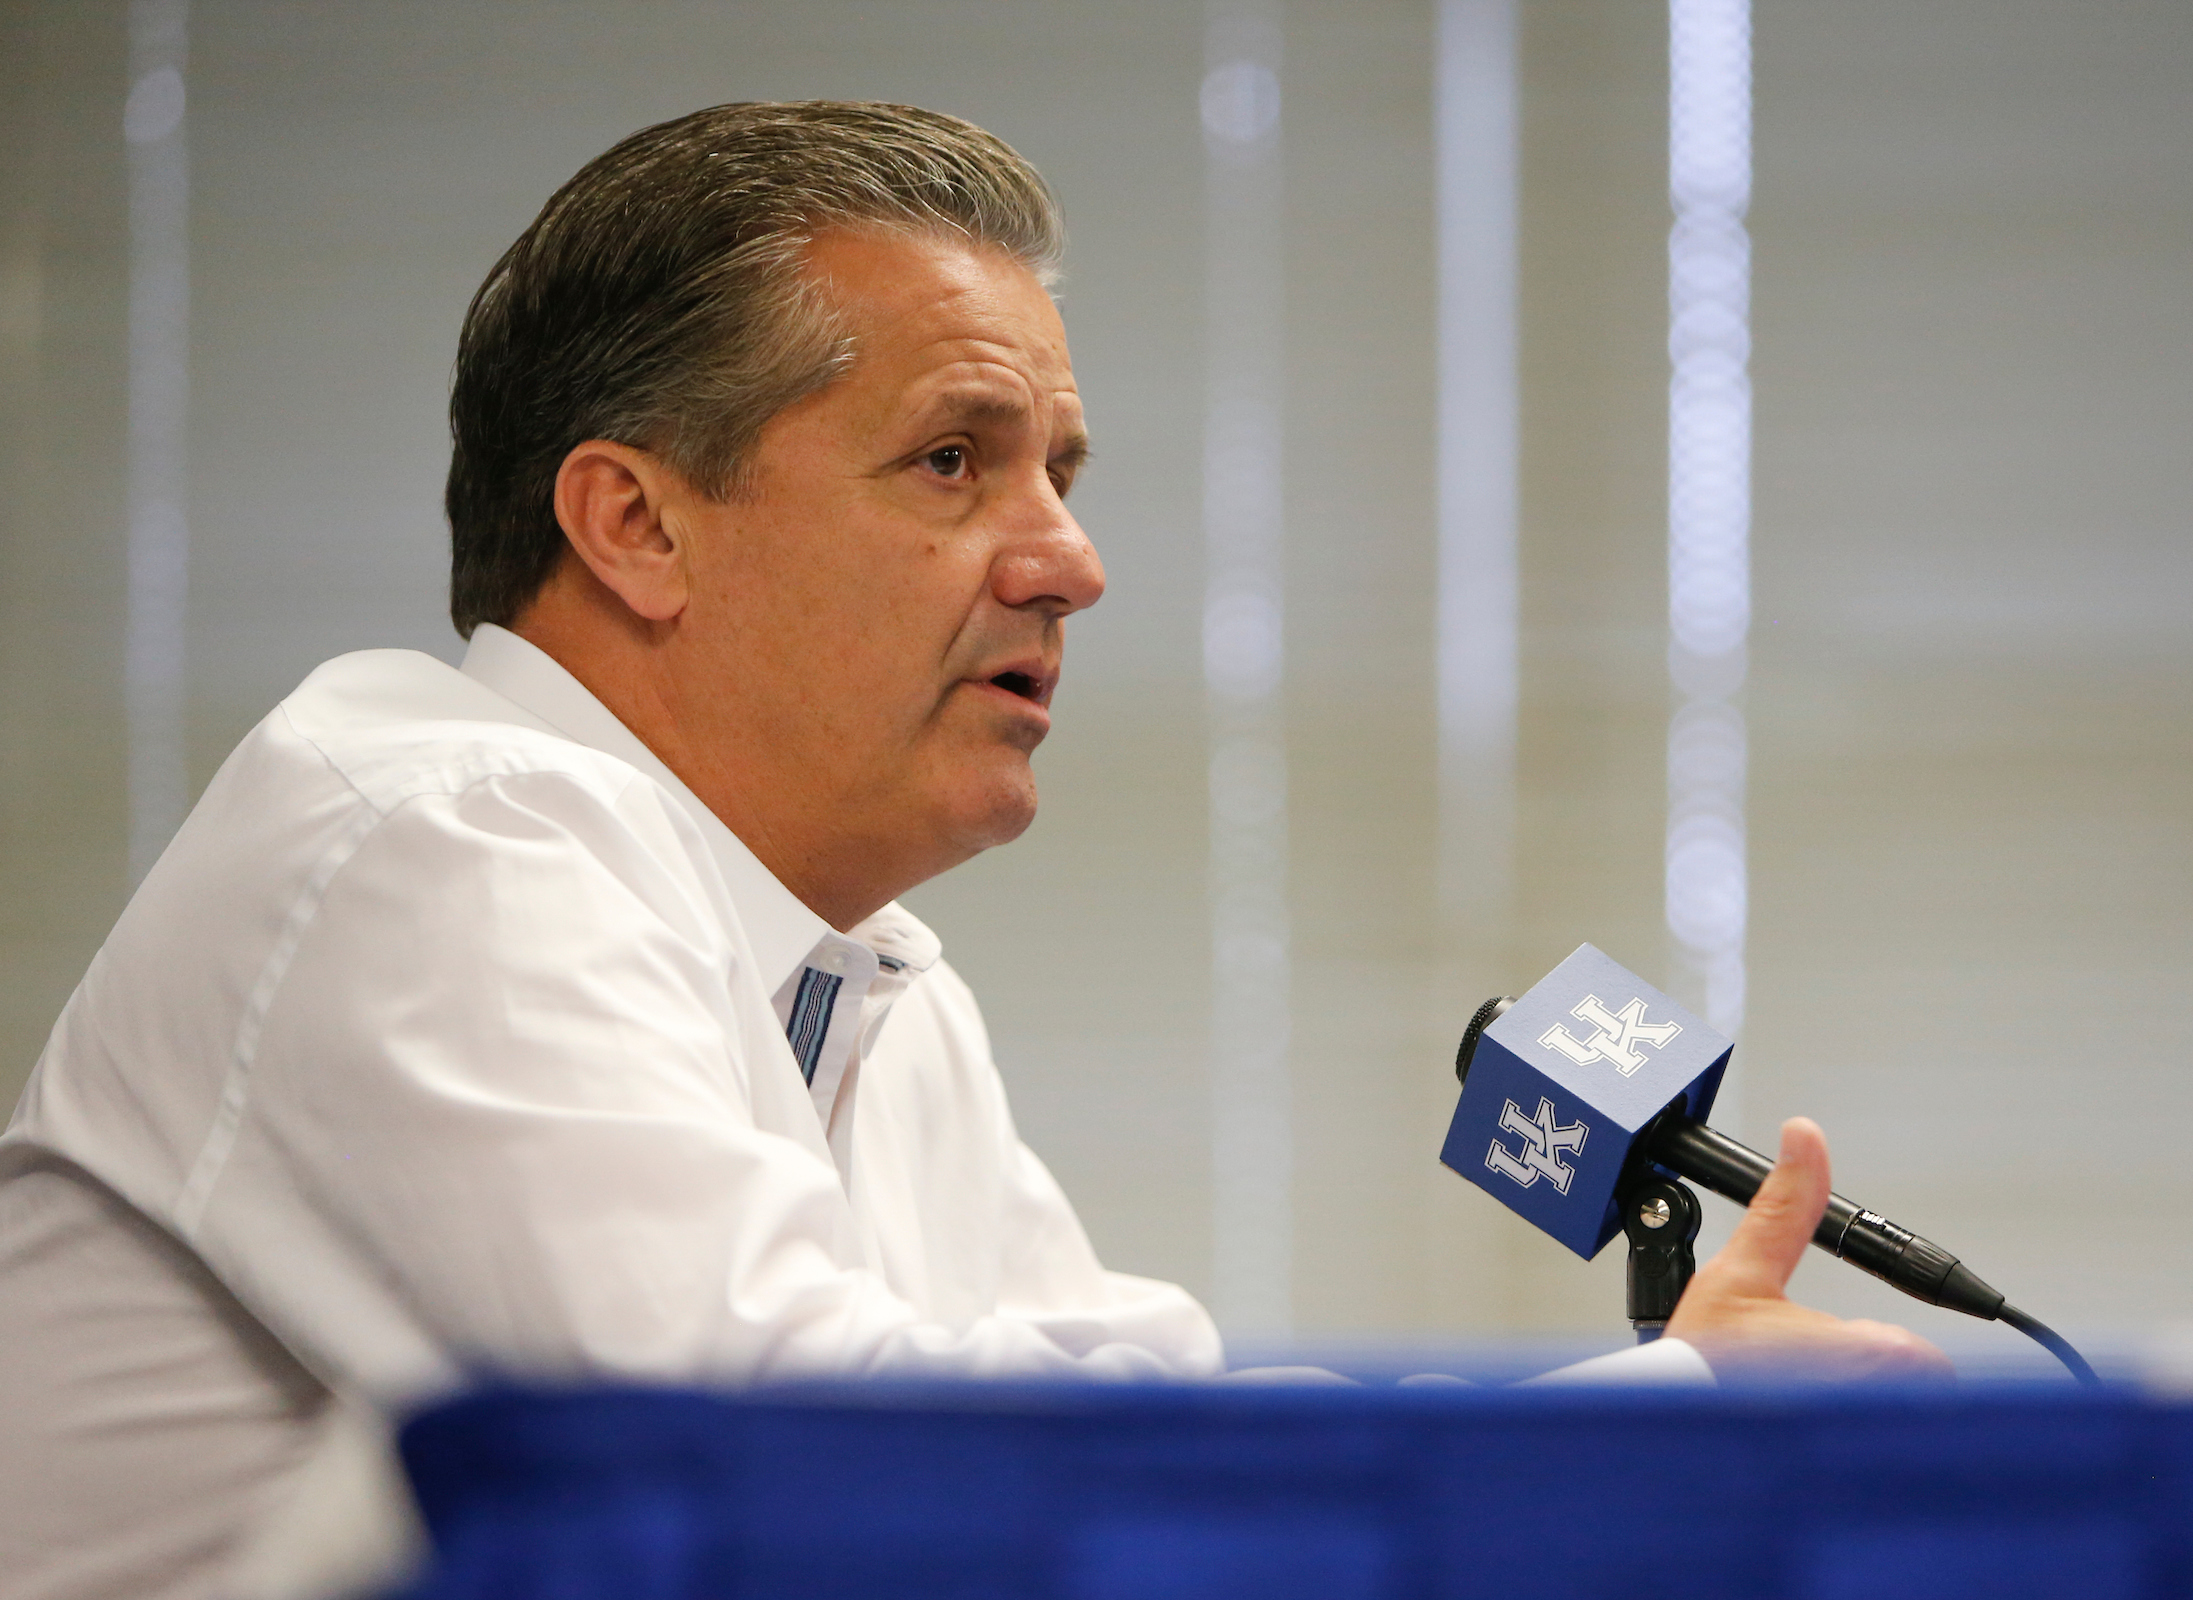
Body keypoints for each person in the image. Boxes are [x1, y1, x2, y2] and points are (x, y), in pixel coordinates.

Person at [0, 101, 1943, 1600]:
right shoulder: (432, 836)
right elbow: (831, 1487)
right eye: (955, 459)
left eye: (1063, 476)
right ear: (635, 525)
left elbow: (1122, 1457)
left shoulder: (867, 982)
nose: (1070, 559)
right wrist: (1664, 1423)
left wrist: (1655, 1425)